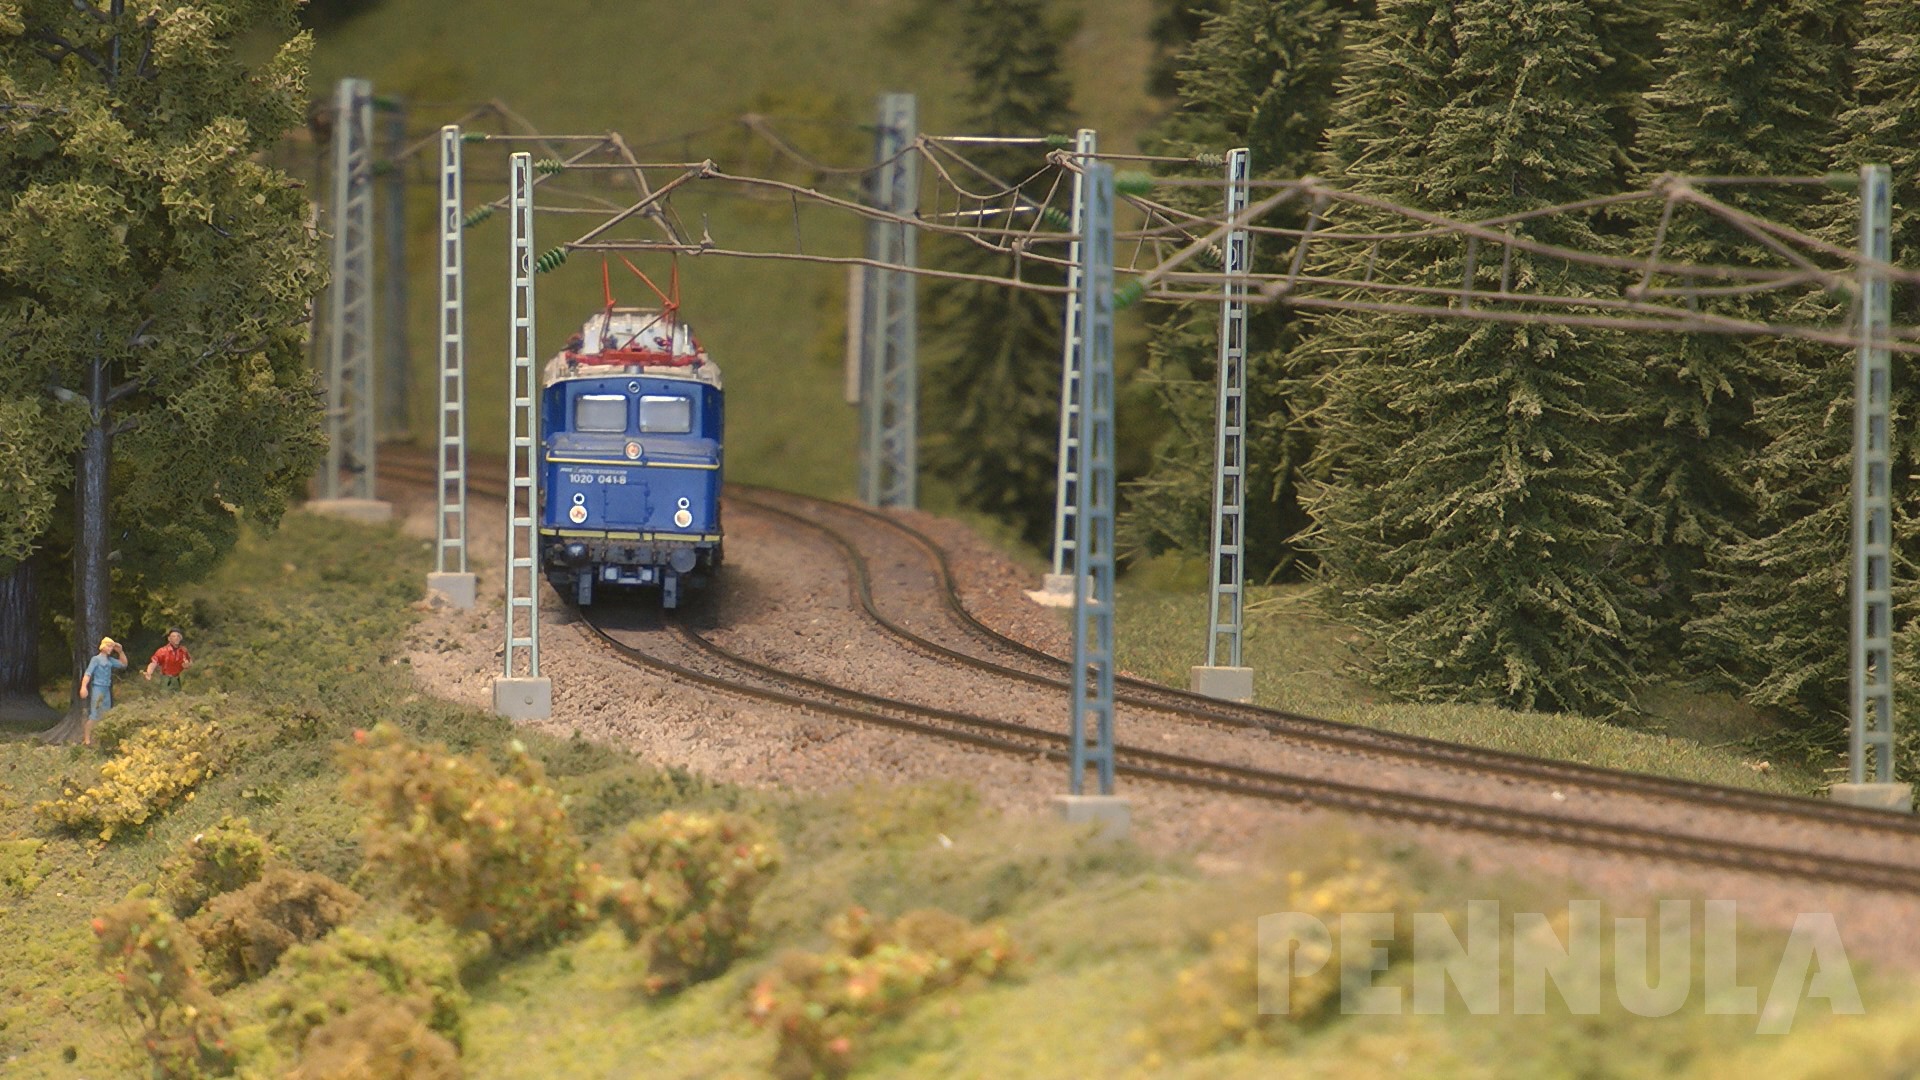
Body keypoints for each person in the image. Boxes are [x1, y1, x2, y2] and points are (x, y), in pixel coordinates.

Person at [79, 637, 127, 747]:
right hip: (98, 688)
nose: (111, 649)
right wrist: (83, 687)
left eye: (112, 646)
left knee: (106, 714)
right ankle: (87, 739)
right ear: (103, 646)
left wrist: (120, 651)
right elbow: (88, 673)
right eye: (109, 646)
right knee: (94, 714)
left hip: (106, 689)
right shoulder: (96, 659)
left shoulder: (110, 660)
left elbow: (124, 664)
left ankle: (103, 738)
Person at [144, 628, 192, 692]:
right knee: (165, 697)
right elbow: (154, 662)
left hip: (178, 678)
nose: (176, 638)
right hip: (166, 679)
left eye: (178, 636)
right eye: (173, 636)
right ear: (169, 638)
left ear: (181, 638)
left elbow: (189, 661)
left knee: (178, 698)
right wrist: (149, 672)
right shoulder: (162, 651)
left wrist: (188, 665)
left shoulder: (183, 650)